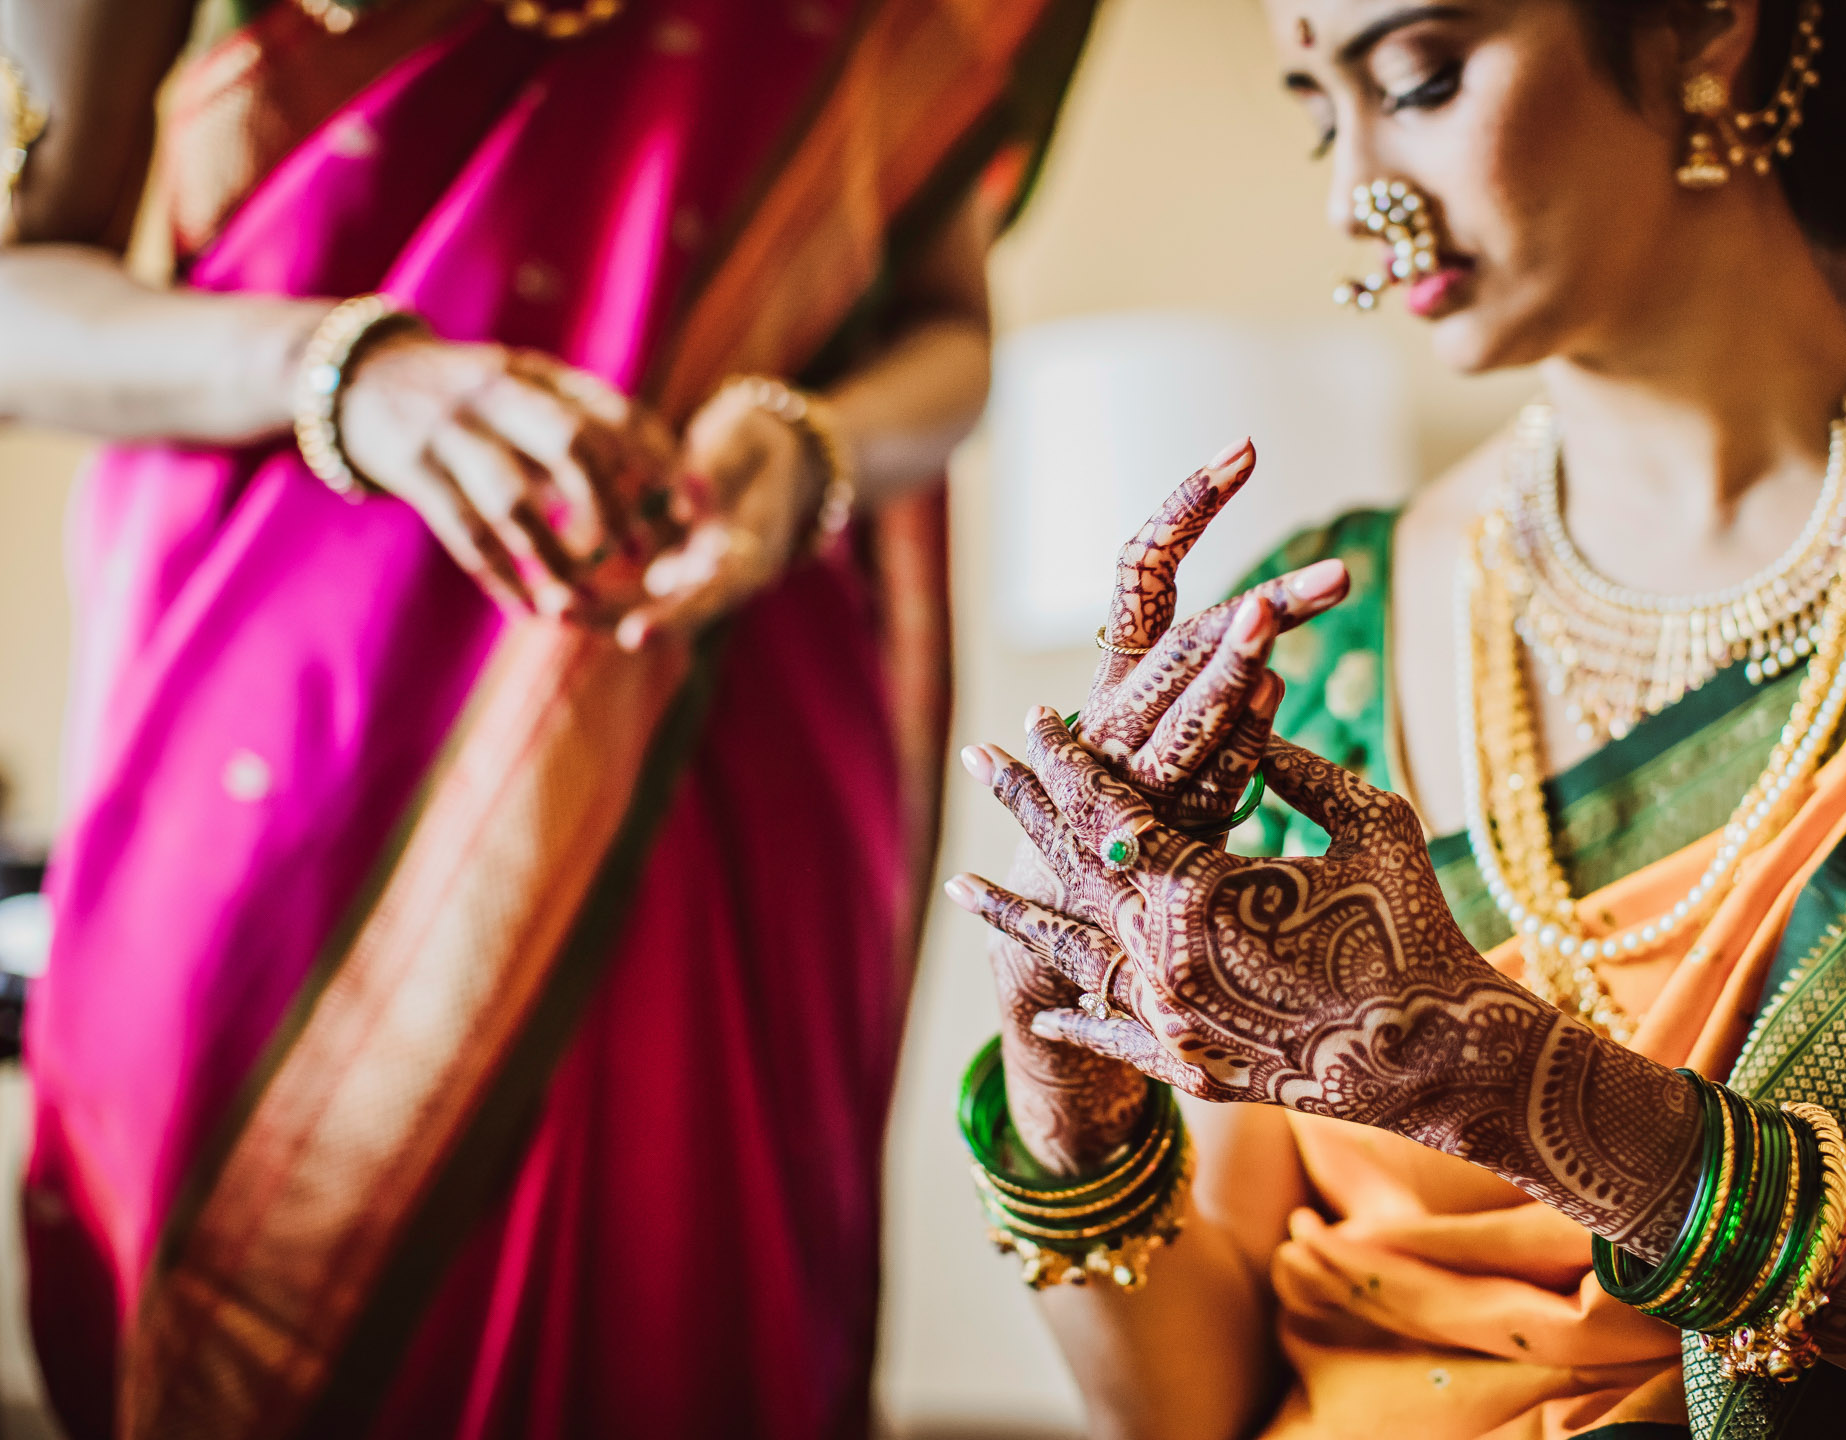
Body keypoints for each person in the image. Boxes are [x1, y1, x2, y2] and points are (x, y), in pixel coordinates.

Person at [941, 1, 1846, 1437]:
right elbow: (1188, 1411)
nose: (1356, 197)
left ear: (1708, 31)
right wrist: (1067, 1112)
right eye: (1323, 115)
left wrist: (1543, 1105)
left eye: (1423, 77)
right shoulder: (1322, 637)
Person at [0, 1, 1093, 1436]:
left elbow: (947, 332)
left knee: (695, 1295)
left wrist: (810, 443)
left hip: (719, 708)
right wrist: (348, 373)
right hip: (282, 718)